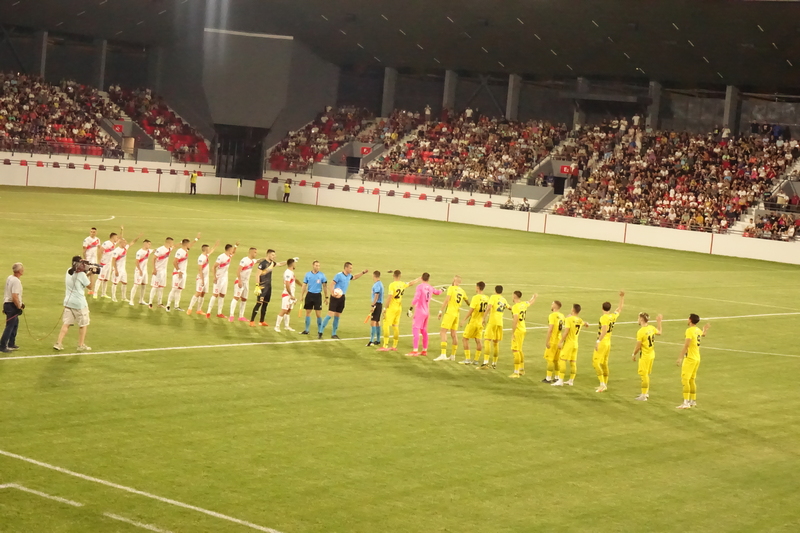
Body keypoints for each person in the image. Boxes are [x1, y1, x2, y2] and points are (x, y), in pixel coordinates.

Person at [318, 262, 369, 340]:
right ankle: (320, 331)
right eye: (350, 268)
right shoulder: (339, 275)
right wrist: (332, 293)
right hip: (335, 297)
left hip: (342, 297)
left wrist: (362, 273)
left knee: (337, 316)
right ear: (346, 268)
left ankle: (334, 334)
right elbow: (331, 284)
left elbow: (354, 277)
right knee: (330, 314)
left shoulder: (349, 276)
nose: (351, 269)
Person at [54, 257, 91, 352]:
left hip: (68, 302)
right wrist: (93, 274)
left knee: (66, 323)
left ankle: (58, 343)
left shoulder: (68, 271)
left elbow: (80, 280)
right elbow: (90, 287)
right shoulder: (82, 275)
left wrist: (88, 272)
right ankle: (81, 345)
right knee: (83, 324)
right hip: (79, 304)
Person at [378, 270, 419, 352]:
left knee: (386, 325)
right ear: (400, 276)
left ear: (393, 275)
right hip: (399, 308)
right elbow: (410, 283)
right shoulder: (402, 284)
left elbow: (389, 297)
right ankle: (394, 345)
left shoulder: (392, 285)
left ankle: (385, 345)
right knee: (395, 326)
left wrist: (385, 308)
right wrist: (419, 279)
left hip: (392, 308)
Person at [593, 291, 625, 393]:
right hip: (608, 343)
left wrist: (598, 341)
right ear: (609, 309)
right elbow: (619, 309)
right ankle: (604, 384)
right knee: (604, 363)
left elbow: (604, 330)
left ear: (602, 308)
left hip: (603, 342)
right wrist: (622, 297)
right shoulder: (612, 316)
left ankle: (602, 384)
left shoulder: (603, 318)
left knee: (595, 362)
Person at [676, 314, 710, 409]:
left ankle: (686, 402)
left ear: (690, 320)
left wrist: (680, 357)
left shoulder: (689, 331)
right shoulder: (697, 330)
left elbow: (686, 345)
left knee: (685, 380)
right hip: (697, 358)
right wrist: (705, 329)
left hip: (690, 359)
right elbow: (703, 334)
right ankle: (693, 401)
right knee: (692, 380)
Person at [405, 273, 443, 356]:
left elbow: (416, 298)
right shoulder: (430, 287)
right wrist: (442, 290)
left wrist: (410, 308)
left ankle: (415, 351)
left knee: (415, 329)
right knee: (424, 330)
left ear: (421, 278)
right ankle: (424, 350)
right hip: (426, 311)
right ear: (428, 279)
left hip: (419, 311)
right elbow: (437, 292)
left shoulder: (420, 287)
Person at [433, 275, 467, 362]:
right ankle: (453, 355)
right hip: (457, 314)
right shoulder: (462, 291)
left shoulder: (451, 288)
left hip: (450, 313)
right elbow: (468, 302)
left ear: (454, 280)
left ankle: (443, 354)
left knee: (443, 332)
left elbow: (446, 300)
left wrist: (440, 311)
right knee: (454, 334)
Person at [249, 249, 286, 327]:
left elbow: (280, 264)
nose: (274, 256)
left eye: (274, 255)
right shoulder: (262, 264)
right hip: (262, 286)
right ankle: (252, 320)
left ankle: (261, 321)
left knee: (265, 304)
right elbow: (257, 275)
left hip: (268, 287)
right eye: (272, 255)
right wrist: (257, 286)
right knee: (259, 303)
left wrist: (289, 261)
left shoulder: (272, 263)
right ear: (268, 254)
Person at [632, 312, 663, 401]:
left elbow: (638, 346)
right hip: (651, 354)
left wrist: (633, 354)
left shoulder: (641, 332)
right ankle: (645, 393)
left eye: (638, 318)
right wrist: (659, 322)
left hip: (645, 356)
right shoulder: (651, 328)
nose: (638, 320)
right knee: (646, 375)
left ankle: (644, 395)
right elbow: (659, 332)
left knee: (644, 375)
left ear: (641, 319)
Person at [555, 304, 588, 386]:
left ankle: (560, 380)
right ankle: (571, 381)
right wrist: (586, 324)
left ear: (573, 309)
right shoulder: (580, 320)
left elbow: (566, 332)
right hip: (575, 344)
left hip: (568, 344)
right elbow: (585, 323)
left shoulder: (569, 319)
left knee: (562, 360)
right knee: (573, 362)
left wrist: (560, 342)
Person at [166, 235, 200, 312]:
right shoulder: (179, 251)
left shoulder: (185, 250)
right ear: (185, 244)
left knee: (179, 290)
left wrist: (196, 239)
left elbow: (191, 245)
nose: (189, 245)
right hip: (177, 273)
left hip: (183, 273)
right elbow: (174, 262)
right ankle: (168, 305)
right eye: (188, 243)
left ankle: (176, 305)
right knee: (174, 289)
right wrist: (178, 271)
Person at [478, 285, 509, 369]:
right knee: (496, 343)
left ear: (495, 290)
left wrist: (483, 318)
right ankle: (494, 363)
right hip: (500, 323)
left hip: (492, 322)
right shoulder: (503, 299)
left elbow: (489, 307)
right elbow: (510, 308)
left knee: (487, 340)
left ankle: (485, 362)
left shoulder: (493, 297)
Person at [459, 281, 489, 365]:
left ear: (478, 287)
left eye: (476, 287)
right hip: (480, 323)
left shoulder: (476, 298)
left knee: (465, 338)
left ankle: (467, 359)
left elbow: (471, 310)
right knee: (478, 340)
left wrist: (464, 319)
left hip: (473, 322)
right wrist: (484, 319)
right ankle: (476, 360)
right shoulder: (487, 298)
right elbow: (487, 310)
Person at [509, 291, 538, 378]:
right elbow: (530, 302)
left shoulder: (515, 307)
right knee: (520, 349)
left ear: (514, 296)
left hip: (518, 330)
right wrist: (534, 297)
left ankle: (516, 372)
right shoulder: (523, 304)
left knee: (515, 350)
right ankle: (521, 370)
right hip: (523, 329)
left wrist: (513, 332)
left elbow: (515, 319)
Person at [206, 243, 238, 318]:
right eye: (232, 249)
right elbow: (213, 267)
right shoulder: (221, 257)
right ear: (229, 249)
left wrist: (236, 246)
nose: (232, 250)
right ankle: (208, 312)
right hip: (219, 277)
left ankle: (219, 313)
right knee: (215, 294)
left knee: (222, 295)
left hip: (225, 278)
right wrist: (214, 277)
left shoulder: (229, 256)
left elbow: (233, 253)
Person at [186, 241, 218, 315]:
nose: (209, 250)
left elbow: (211, 252)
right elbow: (200, 269)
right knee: (198, 293)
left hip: (206, 278)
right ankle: (189, 308)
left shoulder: (206, 256)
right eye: (208, 249)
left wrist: (215, 246)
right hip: (201, 278)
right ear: (205, 250)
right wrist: (202, 280)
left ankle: (199, 309)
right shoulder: (201, 258)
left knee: (203, 293)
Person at [298, 261, 328, 334]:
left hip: (317, 295)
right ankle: (307, 330)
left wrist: (326, 297)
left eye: (318, 266)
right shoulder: (308, 274)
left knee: (318, 314)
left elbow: (325, 286)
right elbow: (304, 285)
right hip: (309, 295)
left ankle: (319, 331)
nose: (317, 267)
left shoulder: (322, 275)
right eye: (316, 265)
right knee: (308, 312)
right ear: (313, 266)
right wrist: (301, 295)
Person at [1, 262, 24, 353]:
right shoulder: (16, 281)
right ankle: (2, 345)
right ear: (19, 271)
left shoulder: (10, 278)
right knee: (10, 326)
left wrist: (21, 303)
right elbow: (14, 296)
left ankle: (11, 343)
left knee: (15, 323)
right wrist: (18, 307)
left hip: (7, 304)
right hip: (12, 305)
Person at [230, 247, 258, 322]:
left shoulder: (252, 261)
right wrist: (239, 280)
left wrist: (267, 258)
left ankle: (241, 316)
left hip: (246, 282)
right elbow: (238, 271)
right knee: (236, 297)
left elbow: (258, 260)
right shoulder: (244, 260)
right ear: (251, 252)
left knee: (244, 299)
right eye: (255, 252)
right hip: (240, 281)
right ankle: (231, 315)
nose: (256, 254)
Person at [542, 300, 565, 383]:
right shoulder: (562, 316)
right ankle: (557, 377)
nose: (551, 305)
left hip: (553, 340)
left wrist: (547, 341)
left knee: (550, 360)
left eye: (552, 304)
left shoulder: (552, 315)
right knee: (556, 360)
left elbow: (550, 329)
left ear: (555, 306)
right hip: (559, 341)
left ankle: (548, 378)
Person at [111, 234, 139, 302]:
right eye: (124, 242)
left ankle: (123, 297)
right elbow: (113, 260)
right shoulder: (116, 251)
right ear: (120, 242)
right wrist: (116, 270)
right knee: (115, 283)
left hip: (123, 269)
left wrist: (137, 237)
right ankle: (113, 297)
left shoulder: (125, 248)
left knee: (124, 283)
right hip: (117, 269)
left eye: (125, 242)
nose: (125, 243)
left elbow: (132, 243)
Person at [148, 237, 174, 309]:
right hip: (158, 271)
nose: (173, 244)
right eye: (172, 243)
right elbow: (153, 258)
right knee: (155, 287)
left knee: (161, 287)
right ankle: (150, 303)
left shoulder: (169, 249)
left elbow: (175, 247)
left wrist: (181, 242)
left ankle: (159, 303)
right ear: (169, 242)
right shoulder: (160, 249)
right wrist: (154, 269)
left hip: (163, 271)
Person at [94, 229, 121, 299]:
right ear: (113, 237)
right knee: (100, 278)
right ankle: (95, 292)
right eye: (116, 237)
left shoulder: (113, 244)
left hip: (109, 264)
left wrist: (121, 230)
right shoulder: (107, 243)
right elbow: (100, 251)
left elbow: (120, 238)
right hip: (104, 263)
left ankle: (103, 293)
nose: (117, 238)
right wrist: (98, 261)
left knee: (106, 279)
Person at [275, 258, 298, 332]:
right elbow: (287, 284)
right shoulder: (288, 273)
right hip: (287, 295)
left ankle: (286, 326)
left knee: (288, 310)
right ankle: (277, 326)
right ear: (292, 264)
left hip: (291, 295)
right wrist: (291, 295)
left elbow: (295, 280)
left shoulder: (291, 272)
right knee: (284, 309)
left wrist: (303, 285)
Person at [128, 240, 152, 305]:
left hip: (145, 271)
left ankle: (141, 300)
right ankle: (131, 300)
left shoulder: (148, 251)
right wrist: (140, 270)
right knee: (136, 285)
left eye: (150, 244)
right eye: (148, 244)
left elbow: (155, 250)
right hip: (139, 271)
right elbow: (136, 261)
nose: (149, 245)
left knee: (144, 285)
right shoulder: (139, 252)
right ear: (145, 244)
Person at [366, 271, 384, 346]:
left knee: (373, 322)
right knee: (377, 322)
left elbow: (376, 295)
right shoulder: (380, 284)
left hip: (376, 304)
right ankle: (378, 340)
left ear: (374, 276)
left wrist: (373, 305)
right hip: (379, 304)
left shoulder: (377, 285)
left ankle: (371, 340)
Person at [82, 227, 100, 295]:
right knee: (90, 272)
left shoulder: (97, 240)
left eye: (94, 232)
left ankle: (90, 290)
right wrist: (85, 259)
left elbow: (99, 248)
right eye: (91, 232)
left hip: (94, 259)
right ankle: (82, 281)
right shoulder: (86, 240)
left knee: (93, 273)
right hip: (88, 258)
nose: (92, 233)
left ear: (96, 232)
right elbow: (84, 250)